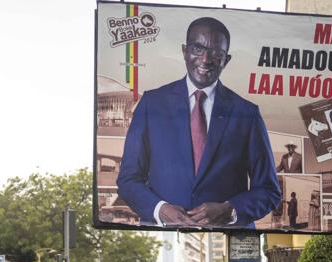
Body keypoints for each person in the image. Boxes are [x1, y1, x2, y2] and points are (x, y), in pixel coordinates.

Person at [117, 16, 281, 228]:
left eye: (216, 53)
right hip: (161, 237)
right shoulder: (151, 104)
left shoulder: (247, 113)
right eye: (197, 49)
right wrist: (160, 209)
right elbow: (128, 180)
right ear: (184, 51)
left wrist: (229, 210)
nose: (205, 59)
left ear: (226, 60)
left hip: (227, 238)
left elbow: (269, 191)